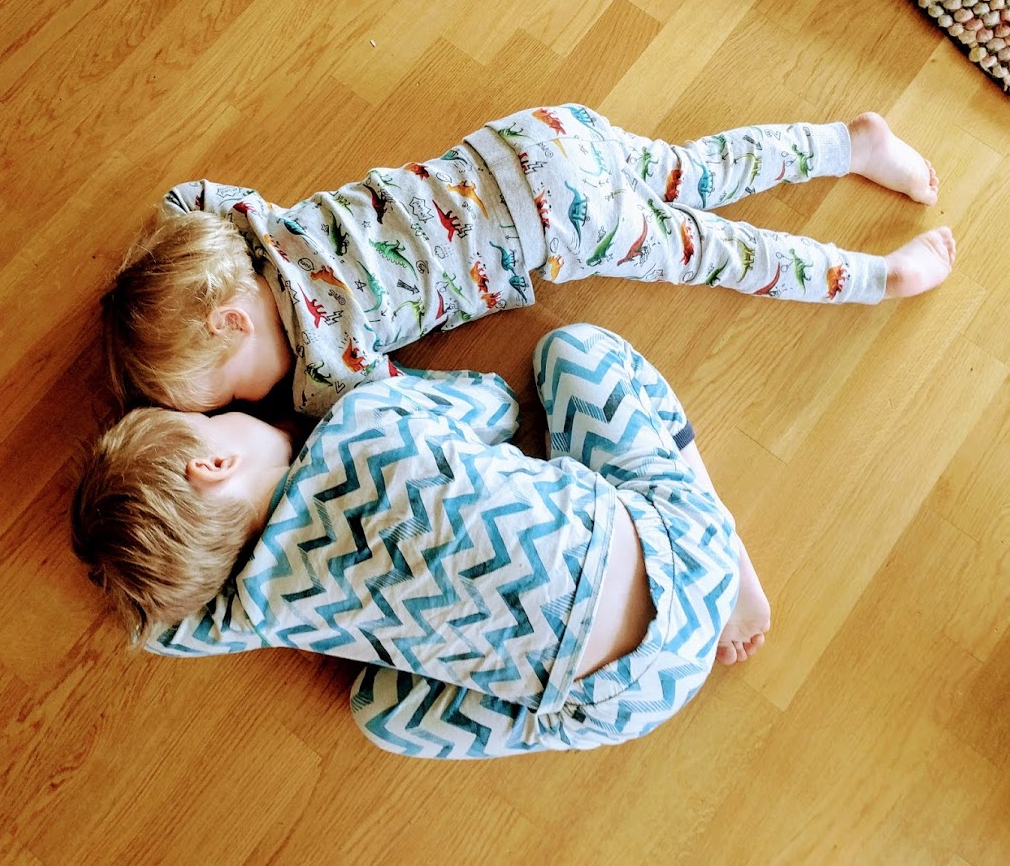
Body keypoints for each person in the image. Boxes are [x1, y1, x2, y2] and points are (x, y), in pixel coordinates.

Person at [72, 323, 769, 758]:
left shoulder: (266, 606)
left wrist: (168, 564)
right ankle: (729, 552)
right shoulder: (366, 413)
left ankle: (542, 710)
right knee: (575, 350)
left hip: (632, 699)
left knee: (380, 713)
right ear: (212, 462)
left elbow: (164, 630)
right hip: (688, 552)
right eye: (212, 418)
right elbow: (495, 406)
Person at [102, 106, 955, 417]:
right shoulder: (260, 223)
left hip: (558, 225)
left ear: (233, 321)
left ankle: (875, 277)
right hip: (531, 137)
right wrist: (164, 277)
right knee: (691, 168)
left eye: (226, 393)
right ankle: (843, 142)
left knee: (710, 251)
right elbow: (184, 199)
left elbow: (446, 408)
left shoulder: (324, 367)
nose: (240, 407)